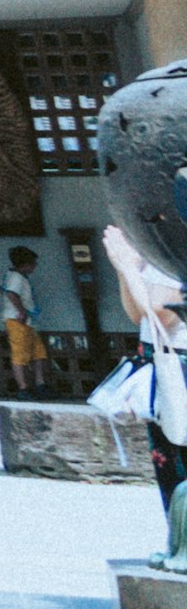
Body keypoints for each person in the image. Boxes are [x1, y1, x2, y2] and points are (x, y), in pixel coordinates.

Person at [97, 223, 187, 573]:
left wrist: (127, 266)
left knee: (179, 459)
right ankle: (177, 541)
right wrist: (126, 270)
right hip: (165, 365)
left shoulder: (174, 251)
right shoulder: (156, 249)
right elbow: (137, 313)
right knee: (169, 462)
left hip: (179, 364)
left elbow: (160, 312)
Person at [6, 246, 53, 398]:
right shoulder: (16, 278)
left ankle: (40, 384)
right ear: (25, 264)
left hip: (28, 322)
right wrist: (21, 311)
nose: (34, 267)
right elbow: (11, 294)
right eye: (33, 264)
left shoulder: (14, 276)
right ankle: (23, 388)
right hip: (17, 320)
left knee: (38, 352)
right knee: (19, 354)